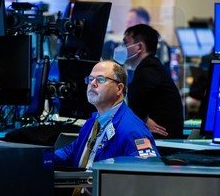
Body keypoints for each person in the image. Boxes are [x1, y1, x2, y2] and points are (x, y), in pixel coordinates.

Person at [54, 60, 160, 195]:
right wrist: (37, 158)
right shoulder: (92, 123)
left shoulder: (132, 130)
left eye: (101, 79)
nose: (92, 84)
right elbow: (71, 153)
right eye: (90, 79)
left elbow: (148, 176)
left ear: (119, 88)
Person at [120, 24, 184, 139]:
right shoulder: (152, 67)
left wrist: (143, 119)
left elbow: (136, 98)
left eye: (126, 43)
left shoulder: (148, 70)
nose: (122, 48)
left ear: (139, 47)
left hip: (161, 141)